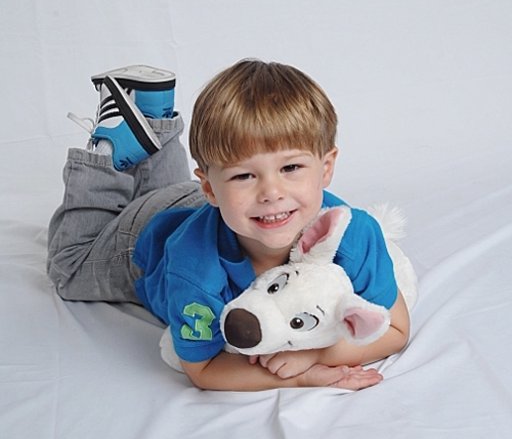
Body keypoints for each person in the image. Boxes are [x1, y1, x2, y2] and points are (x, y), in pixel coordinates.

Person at [47, 60, 410, 391]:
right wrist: (301, 376)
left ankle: (151, 118)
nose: (271, 193)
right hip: (142, 234)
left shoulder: (351, 235)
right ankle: (109, 149)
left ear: (326, 167)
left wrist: (316, 353)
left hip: (218, 207)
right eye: (245, 175)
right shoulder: (195, 269)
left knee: (180, 194)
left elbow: (395, 329)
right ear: (209, 187)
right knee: (70, 269)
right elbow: (204, 370)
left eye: (290, 168)